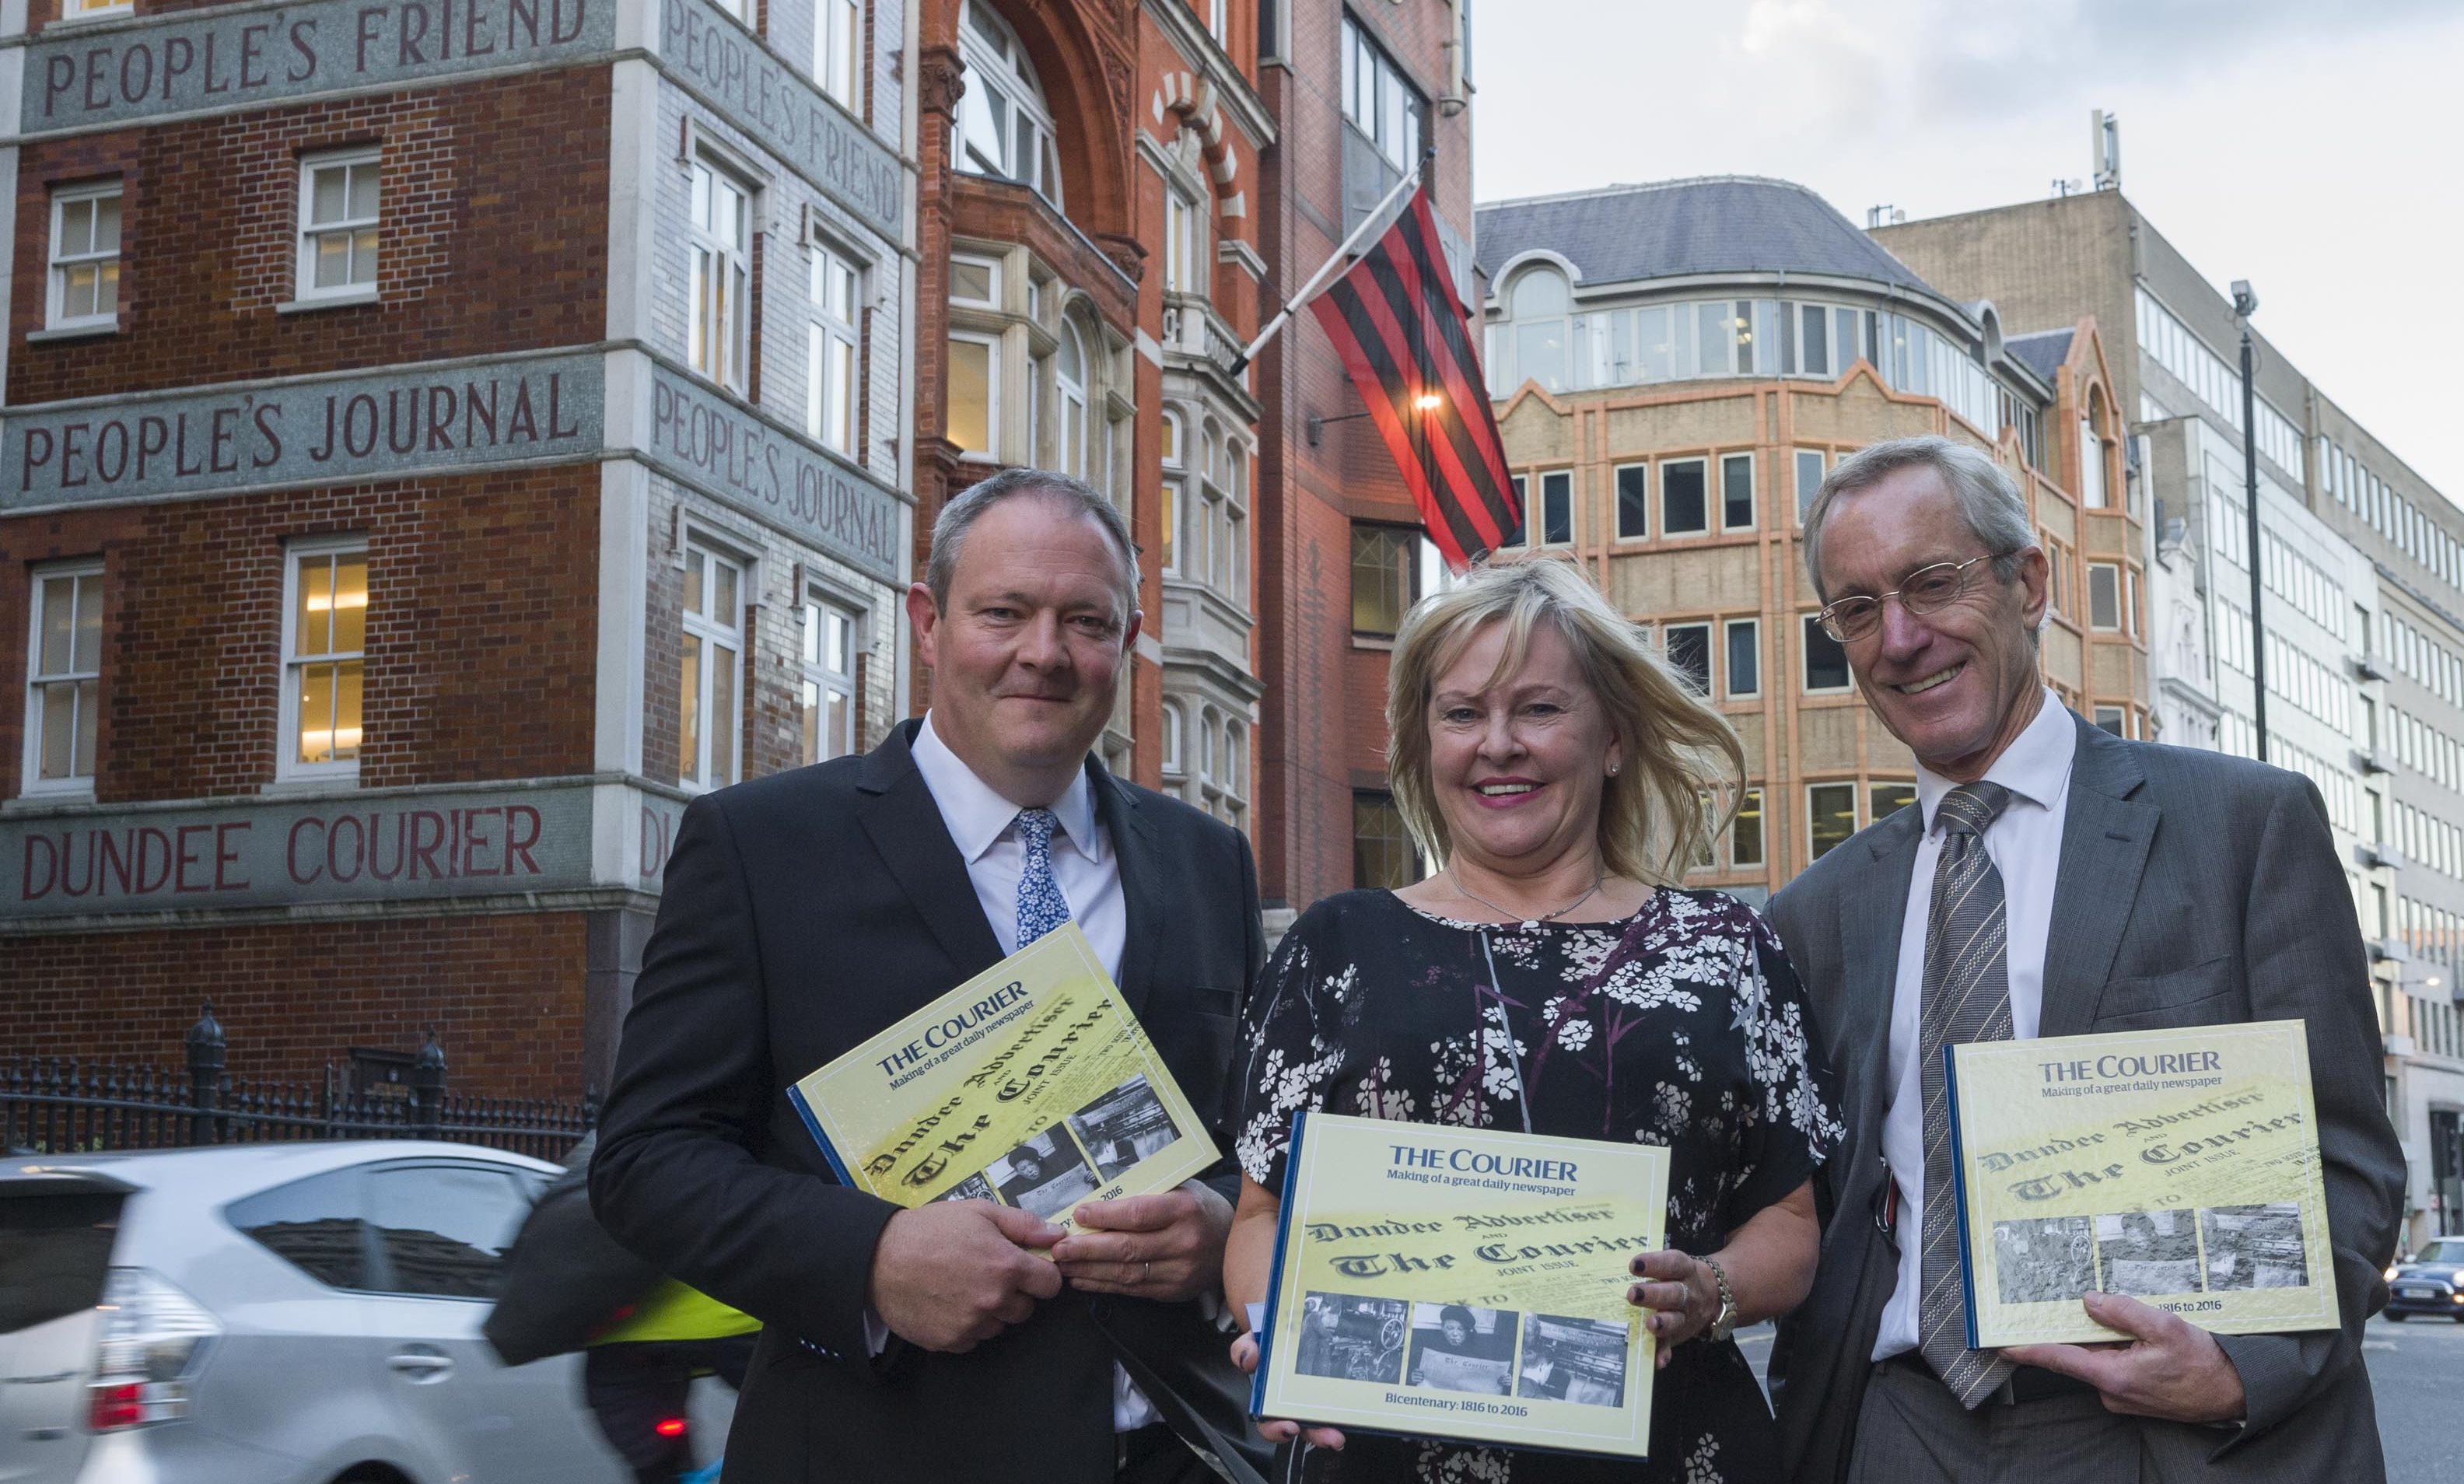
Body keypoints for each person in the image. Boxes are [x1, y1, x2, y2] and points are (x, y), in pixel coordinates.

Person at [590, 468, 1271, 1484]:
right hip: (878, 1451)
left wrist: (1221, 1228)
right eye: (1004, 612)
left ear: (1126, 646)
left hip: (1176, 1457)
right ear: (928, 623)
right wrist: (871, 1258)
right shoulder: (761, 847)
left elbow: (1250, 1147)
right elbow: (644, 1162)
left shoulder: (1208, 861)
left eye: (1085, 621)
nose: (1044, 653)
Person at [1764, 436, 2407, 1482]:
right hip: (1897, 1430)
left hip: (2161, 1433)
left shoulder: (2242, 827)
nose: (1902, 637)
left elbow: (2350, 1163)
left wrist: (2245, 1367)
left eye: (1933, 583)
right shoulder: (1816, 912)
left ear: (2029, 584)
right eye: (1857, 609)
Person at [1223, 555, 1841, 1483]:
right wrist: (1274, 1329)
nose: (1498, 744)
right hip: (1388, 1456)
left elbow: (1791, 1222)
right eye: (1462, 713)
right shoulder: (1335, 948)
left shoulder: (1729, 950)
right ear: (1425, 743)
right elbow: (1262, 1215)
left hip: (1670, 1451)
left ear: (1615, 739)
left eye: (1540, 709)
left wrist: (1711, 1289)